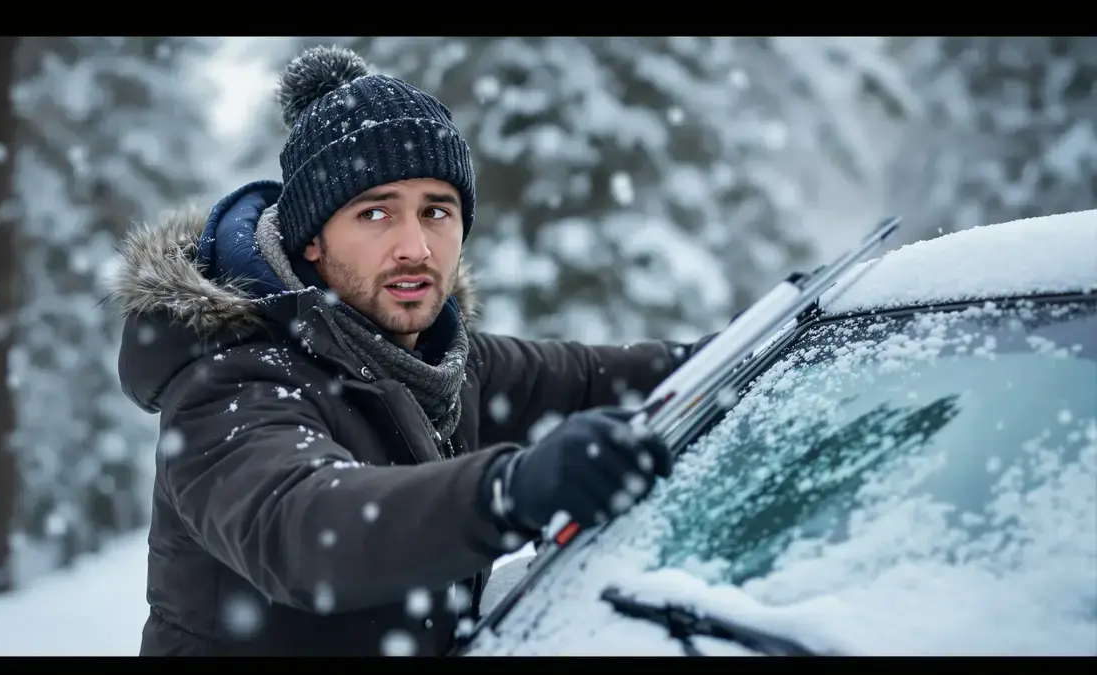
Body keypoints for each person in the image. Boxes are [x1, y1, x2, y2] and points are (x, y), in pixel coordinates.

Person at [111, 45, 716, 657]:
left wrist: (773, 333)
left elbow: (601, 379)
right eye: (376, 213)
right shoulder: (231, 382)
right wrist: (507, 492)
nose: (416, 247)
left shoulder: (439, 361)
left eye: (436, 211)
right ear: (312, 241)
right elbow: (307, 530)